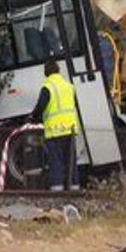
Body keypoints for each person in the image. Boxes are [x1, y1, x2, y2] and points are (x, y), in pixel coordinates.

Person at [30, 59, 80, 191]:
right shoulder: (69, 86)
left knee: (56, 163)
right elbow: (73, 105)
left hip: (54, 132)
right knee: (71, 162)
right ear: (58, 70)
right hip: (70, 130)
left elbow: (41, 106)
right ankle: (74, 188)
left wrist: (33, 117)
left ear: (46, 73)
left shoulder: (48, 87)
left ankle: (57, 191)